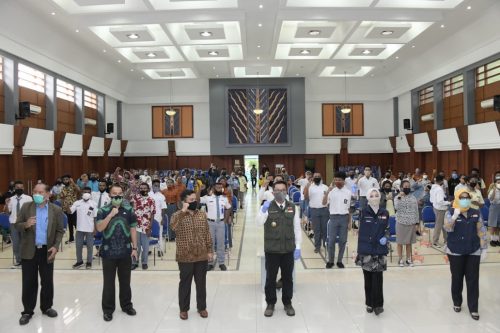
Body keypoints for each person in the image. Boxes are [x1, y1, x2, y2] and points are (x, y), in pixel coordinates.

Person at [15, 183, 65, 325]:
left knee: (47, 281)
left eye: (40, 192)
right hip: (29, 250)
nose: (37, 194)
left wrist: (56, 247)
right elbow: (16, 225)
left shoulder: (56, 210)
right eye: (35, 191)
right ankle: (27, 311)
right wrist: (26, 224)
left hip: (47, 250)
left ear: (48, 194)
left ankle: (47, 307)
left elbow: (60, 230)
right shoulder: (26, 207)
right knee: (29, 282)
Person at [256, 181, 302, 317]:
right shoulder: (267, 206)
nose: (279, 192)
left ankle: (287, 303)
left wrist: (298, 247)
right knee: (270, 278)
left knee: (287, 278)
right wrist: (263, 211)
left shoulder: (293, 207)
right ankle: (270, 303)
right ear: (273, 192)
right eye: (277, 190)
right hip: (272, 249)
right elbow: (258, 223)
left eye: (282, 190)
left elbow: (297, 229)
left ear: (286, 191)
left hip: (288, 249)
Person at [95, 184, 138, 322]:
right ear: (110, 195)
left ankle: (126, 305)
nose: (118, 196)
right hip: (108, 253)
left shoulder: (129, 209)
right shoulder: (102, 210)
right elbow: (99, 228)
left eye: (120, 193)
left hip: (125, 252)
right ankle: (108, 310)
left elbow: (132, 229)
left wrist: (135, 248)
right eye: (115, 194)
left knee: (125, 282)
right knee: (108, 283)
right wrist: (110, 215)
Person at [444, 189, 487, 321]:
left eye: (467, 197)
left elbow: (481, 230)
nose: (465, 199)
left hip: (473, 250)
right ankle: (457, 302)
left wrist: (484, 248)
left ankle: (473, 308)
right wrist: (454, 217)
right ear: (457, 198)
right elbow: (447, 228)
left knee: (473, 280)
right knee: (457, 278)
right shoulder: (450, 212)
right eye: (462, 197)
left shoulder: (475, 212)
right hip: (455, 251)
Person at [170, 190, 213, 320]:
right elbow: (173, 228)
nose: (194, 202)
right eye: (191, 200)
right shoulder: (177, 215)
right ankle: (184, 309)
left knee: (201, 283)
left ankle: (202, 307)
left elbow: (206, 233)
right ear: (184, 202)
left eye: (195, 199)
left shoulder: (201, 214)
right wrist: (183, 211)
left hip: (201, 255)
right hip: (185, 255)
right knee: (185, 283)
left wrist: (210, 250)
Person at [355, 188, 389, 316]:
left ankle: (379, 304)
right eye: (372, 195)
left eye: (376, 195)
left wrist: (386, 237)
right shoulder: (363, 212)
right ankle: (369, 303)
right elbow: (360, 229)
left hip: (380, 250)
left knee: (378, 278)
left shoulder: (385, 212)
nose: (374, 198)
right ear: (368, 198)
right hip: (367, 249)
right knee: (368, 278)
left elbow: (387, 229)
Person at [198, 182, 231, 271]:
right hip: (210, 223)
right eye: (217, 187)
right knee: (210, 243)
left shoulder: (224, 198)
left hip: (220, 223)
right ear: (213, 188)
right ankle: (210, 263)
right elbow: (197, 201)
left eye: (220, 187)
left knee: (221, 243)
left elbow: (228, 208)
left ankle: (221, 263)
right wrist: (199, 190)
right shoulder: (208, 198)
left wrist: (225, 220)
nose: (219, 189)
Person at [323, 172, 351, 269]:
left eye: (340, 180)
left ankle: (339, 261)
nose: (338, 181)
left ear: (344, 181)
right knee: (331, 241)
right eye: (336, 180)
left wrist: (349, 222)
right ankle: (330, 261)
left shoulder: (348, 192)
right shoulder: (331, 191)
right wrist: (327, 191)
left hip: (344, 218)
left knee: (343, 241)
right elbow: (323, 203)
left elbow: (349, 209)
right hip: (333, 218)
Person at [5, 180, 33, 268]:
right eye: (17, 188)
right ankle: (18, 260)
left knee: (25, 242)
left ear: (23, 188)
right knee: (16, 243)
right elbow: (7, 213)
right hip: (14, 224)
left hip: (25, 223)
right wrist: (6, 204)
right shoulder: (11, 199)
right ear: (14, 189)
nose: (19, 189)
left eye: (21, 188)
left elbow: (32, 211)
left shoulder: (28, 198)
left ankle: (26, 260)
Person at [70, 187, 97, 269]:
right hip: (79, 229)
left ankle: (89, 262)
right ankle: (79, 261)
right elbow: (70, 212)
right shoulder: (77, 203)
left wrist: (95, 228)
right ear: (81, 193)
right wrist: (67, 205)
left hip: (90, 229)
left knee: (90, 246)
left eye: (88, 192)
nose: (86, 193)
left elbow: (95, 217)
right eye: (84, 192)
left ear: (90, 193)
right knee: (78, 246)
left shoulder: (93, 204)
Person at [394, 180, 419, 267]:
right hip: (401, 222)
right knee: (400, 242)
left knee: (409, 243)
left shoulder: (413, 198)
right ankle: (400, 259)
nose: (407, 188)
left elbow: (416, 211)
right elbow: (396, 207)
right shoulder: (397, 197)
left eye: (408, 186)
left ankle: (408, 259)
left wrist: (417, 223)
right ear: (401, 187)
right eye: (405, 186)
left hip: (411, 223)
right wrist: (399, 197)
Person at [130, 183, 156, 270]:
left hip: (146, 227)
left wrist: (150, 227)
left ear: (148, 189)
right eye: (141, 188)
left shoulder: (151, 200)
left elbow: (152, 214)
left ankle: (144, 262)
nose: (143, 189)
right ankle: (134, 262)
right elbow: (129, 205)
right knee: (135, 245)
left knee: (145, 247)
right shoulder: (135, 198)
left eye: (145, 188)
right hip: (136, 226)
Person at [304, 173, 329, 253]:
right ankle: (317, 246)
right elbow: (306, 197)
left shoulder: (325, 187)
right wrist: (306, 187)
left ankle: (326, 244)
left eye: (318, 176)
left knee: (325, 229)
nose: (317, 178)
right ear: (313, 178)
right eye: (315, 177)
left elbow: (329, 198)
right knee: (316, 229)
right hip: (314, 210)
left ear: (321, 178)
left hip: (324, 210)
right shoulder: (310, 187)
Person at [430, 175, 451, 247]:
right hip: (440, 209)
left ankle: (447, 240)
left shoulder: (433, 187)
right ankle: (435, 241)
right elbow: (440, 201)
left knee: (444, 225)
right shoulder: (439, 189)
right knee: (438, 226)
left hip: (436, 207)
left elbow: (432, 199)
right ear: (442, 181)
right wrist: (449, 202)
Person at [149, 179, 167, 256]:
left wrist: (163, 218)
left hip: (158, 217)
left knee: (159, 234)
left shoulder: (161, 196)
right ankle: (148, 249)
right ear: (152, 186)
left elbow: (163, 208)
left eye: (158, 186)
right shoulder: (148, 194)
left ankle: (160, 250)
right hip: (148, 218)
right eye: (155, 185)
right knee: (148, 234)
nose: (156, 187)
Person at [487, 174, 500, 247]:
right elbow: (491, 199)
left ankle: (497, 239)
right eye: (498, 182)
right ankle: (492, 240)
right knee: (493, 225)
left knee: (498, 225)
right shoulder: (492, 189)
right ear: (495, 183)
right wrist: (495, 191)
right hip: (494, 207)